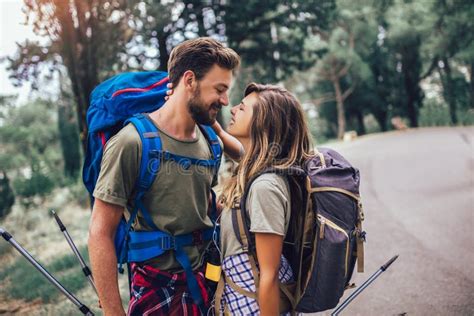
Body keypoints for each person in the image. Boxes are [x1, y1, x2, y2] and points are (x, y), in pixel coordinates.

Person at [88, 37, 240, 316]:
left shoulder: (210, 142)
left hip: (207, 281)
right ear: (190, 80)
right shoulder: (131, 143)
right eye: (219, 89)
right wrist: (113, 311)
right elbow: (100, 232)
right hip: (156, 291)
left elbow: (201, 205)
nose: (225, 100)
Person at [217, 83, 314, 315]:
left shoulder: (265, 187)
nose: (232, 110)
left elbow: (268, 275)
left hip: (257, 305)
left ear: (263, 124)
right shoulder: (253, 173)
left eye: (242, 108)